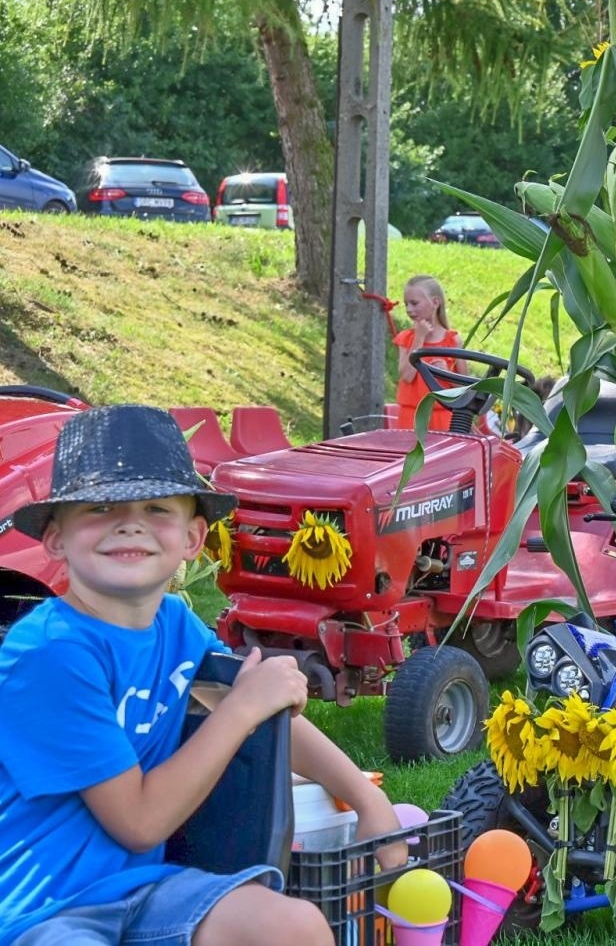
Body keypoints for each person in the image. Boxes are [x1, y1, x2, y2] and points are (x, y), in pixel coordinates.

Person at [0, 405, 403, 945]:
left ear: (192, 538)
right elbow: (139, 822)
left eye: (156, 507)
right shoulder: (50, 653)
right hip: (42, 912)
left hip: (143, 889)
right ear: (54, 539)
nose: (131, 522)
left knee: (292, 925)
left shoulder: (174, 624)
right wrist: (242, 710)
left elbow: (260, 706)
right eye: (99, 506)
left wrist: (366, 799)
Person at [394, 274, 460, 431]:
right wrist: (419, 337)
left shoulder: (452, 340)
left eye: (414, 303)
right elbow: (407, 376)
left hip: (442, 415)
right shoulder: (406, 338)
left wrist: (447, 372)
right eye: (406, 304)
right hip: (411, 416)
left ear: (435, 302)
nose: (409, 309)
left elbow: (463, 385)